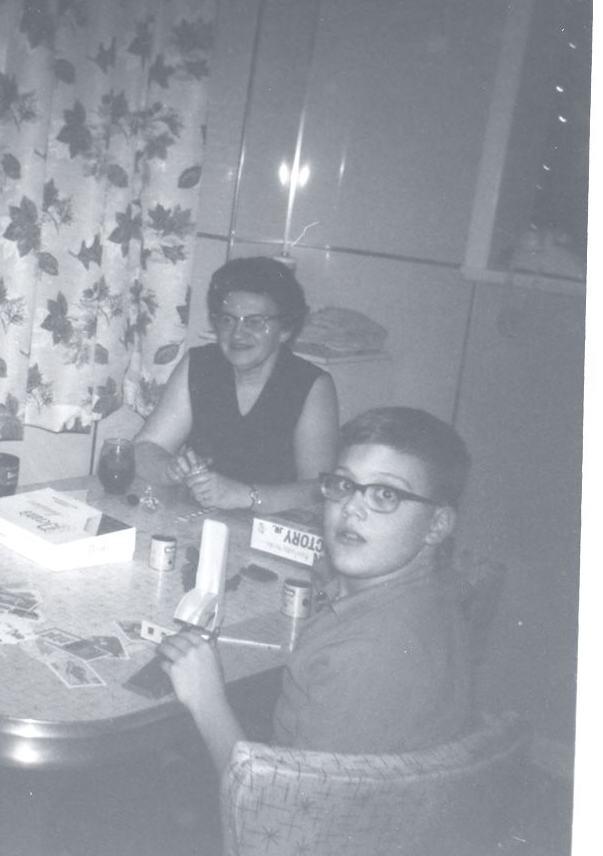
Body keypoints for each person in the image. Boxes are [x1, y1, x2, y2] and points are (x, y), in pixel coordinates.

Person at [158, 406, 475, 775]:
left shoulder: (366, 655)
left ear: (437, 524)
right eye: (344, 485)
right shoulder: (428, 595)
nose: (351, 508)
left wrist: (206, 700)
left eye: (385, 495)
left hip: (275, 796)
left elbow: (280, 808)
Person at [134, 256, 338, 511]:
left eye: (255, 322)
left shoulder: (311, 385)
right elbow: (145, 448)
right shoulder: (200, 364)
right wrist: (169, 469)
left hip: (274, 527)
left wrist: (246, 496)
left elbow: (320, 492)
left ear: (285, 330)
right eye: (228, 320)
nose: (238, 333)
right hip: (201, 520)